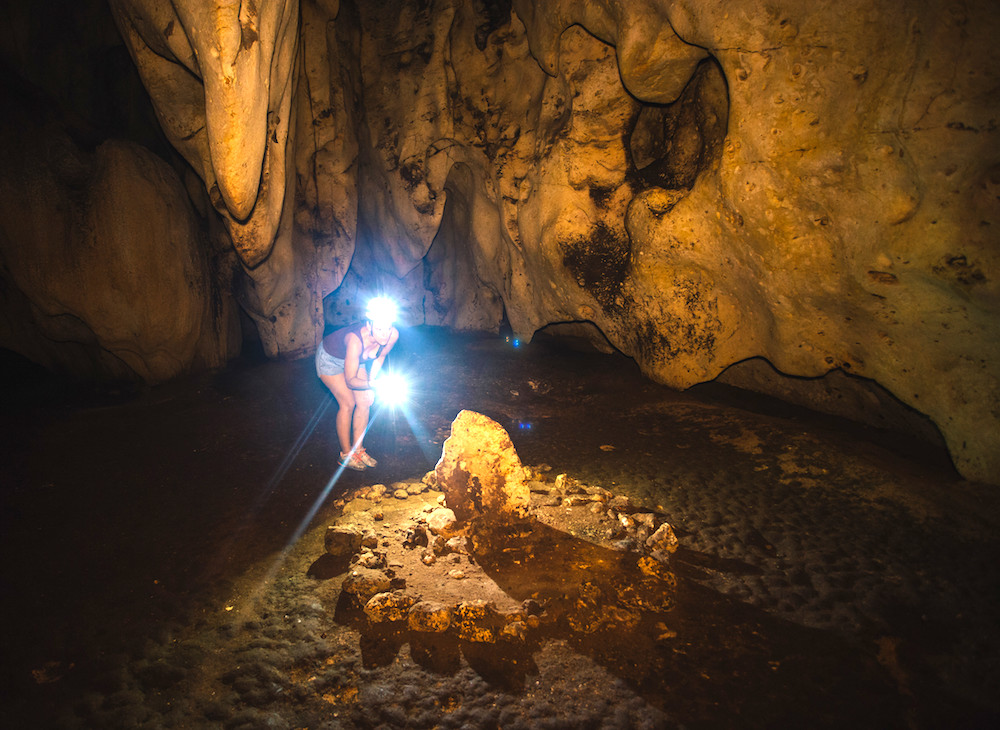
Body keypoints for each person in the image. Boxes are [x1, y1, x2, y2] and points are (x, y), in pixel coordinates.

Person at [316, 297, 399, 470]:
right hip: (330, 359)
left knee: (366, 400)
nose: (385, 333)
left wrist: (373, 381)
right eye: (379, 328)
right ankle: (346, 455)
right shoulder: (355, 341)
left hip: (354, 361)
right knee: (348, 402)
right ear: (369, 326)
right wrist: (373, 384)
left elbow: (380, 357)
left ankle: (359, 450)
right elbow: (350, 380)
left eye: (388, 328)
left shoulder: (393, 335)